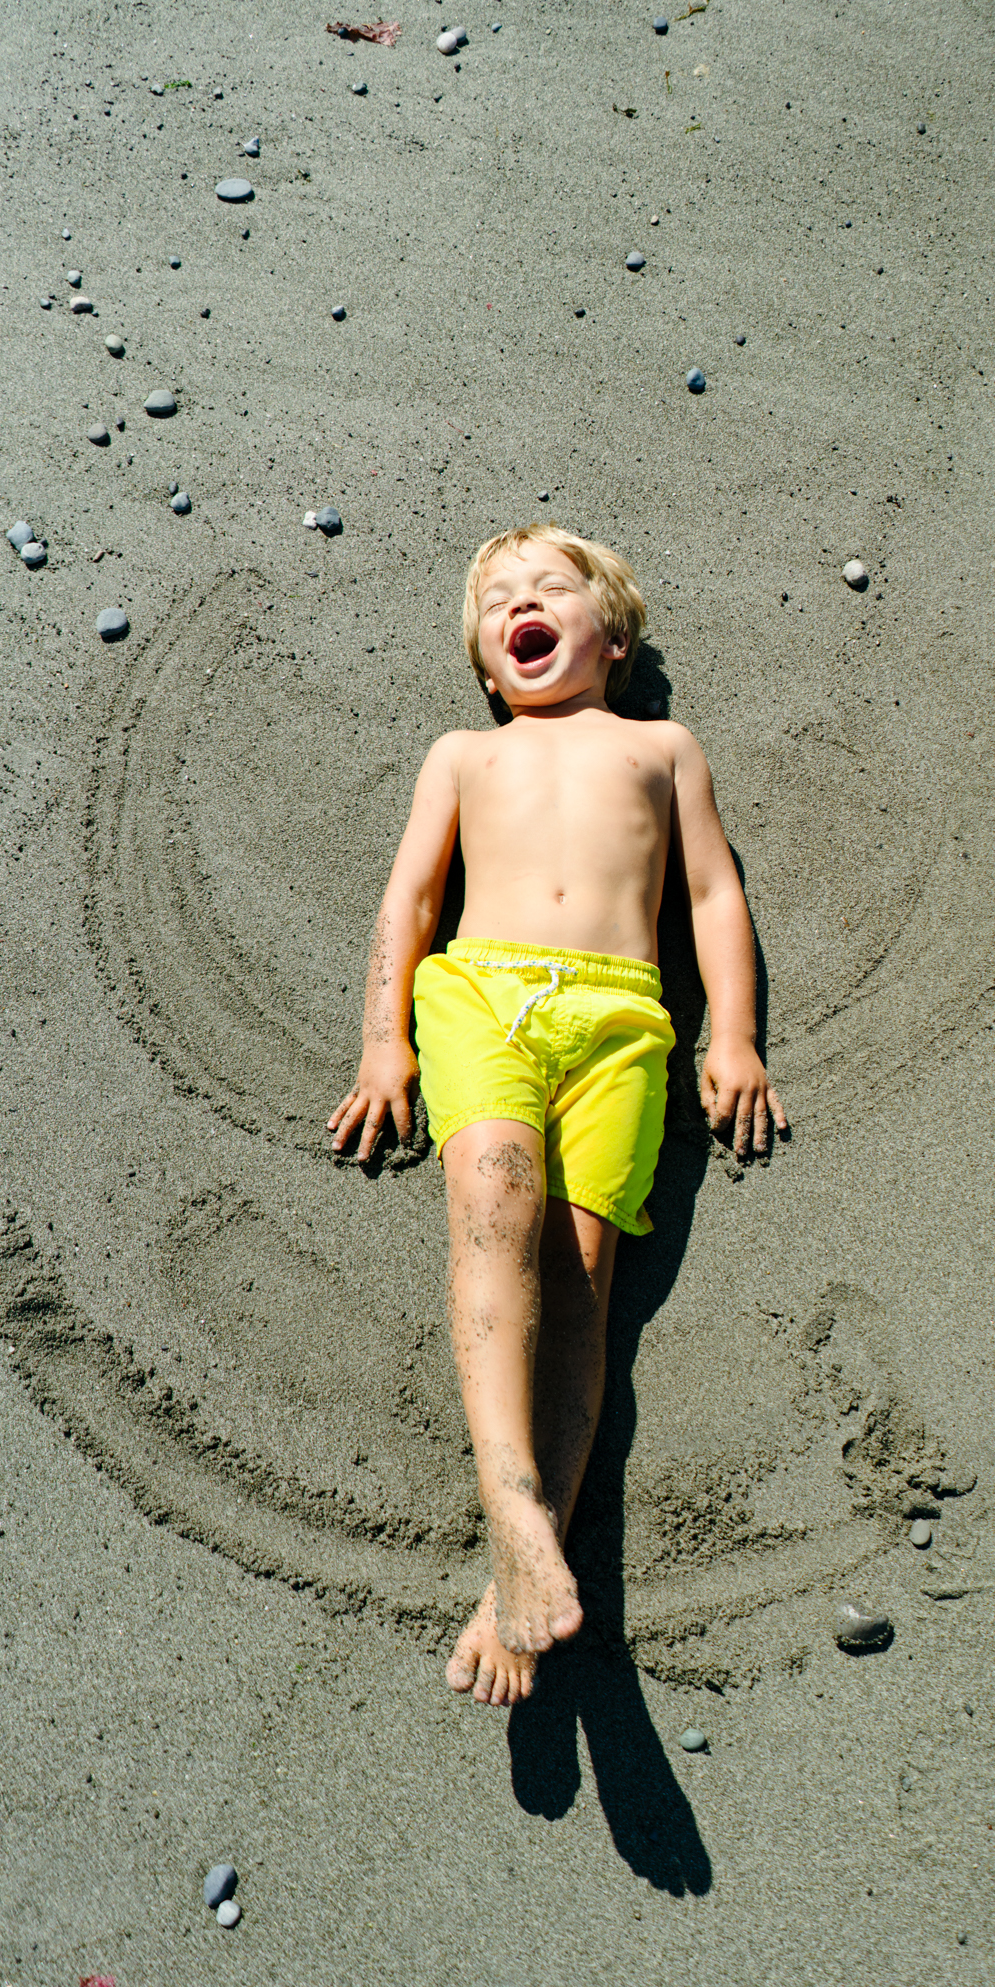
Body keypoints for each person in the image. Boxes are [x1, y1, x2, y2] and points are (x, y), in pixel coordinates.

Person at [328, 524, 785, 1706]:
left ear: (613, 636)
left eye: (548, 590)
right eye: (497, 605)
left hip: (625, 1019)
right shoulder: (464, 757)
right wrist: (385, 1044)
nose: (519, 607)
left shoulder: (663, 745)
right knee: (490, 1208)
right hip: (482, 991)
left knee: (585, 1275)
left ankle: (517, 1569)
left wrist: (728, 1031)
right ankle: (510, 1503)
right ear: (489, 666)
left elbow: (708, 891)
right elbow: (412, 893)